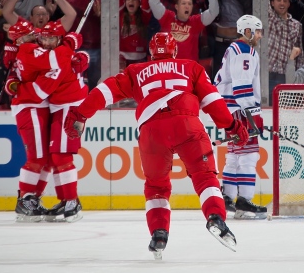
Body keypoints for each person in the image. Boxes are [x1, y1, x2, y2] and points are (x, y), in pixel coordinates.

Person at [63, 32, 248, 256]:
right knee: (204, 176)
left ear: (151, 54)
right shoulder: (190, 67)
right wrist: (232, 126)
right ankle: (215, 217)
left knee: (157, 186)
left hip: (151, 130)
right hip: (187, 124)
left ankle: (159, 233)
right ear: (175, 51)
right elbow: (213, 100)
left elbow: (104, 92)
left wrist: (80, 115)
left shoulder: (136, 71)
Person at [5, 20, 86, 222]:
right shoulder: (32, 50)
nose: (43, 39)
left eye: (50, 37)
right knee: (42, 158)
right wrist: (71, 45)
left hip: (67, 107)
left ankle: (65, 200)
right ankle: (28, 198)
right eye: (42, 36)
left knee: (54, 158)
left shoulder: (30, 49)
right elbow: (42, 87)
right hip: (36, 106)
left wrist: (77, 53)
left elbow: (72, 60)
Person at [214, 15, 267, 219]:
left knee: (235, 155)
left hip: (229, 108)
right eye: (258, 31)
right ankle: (244, 202)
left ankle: (228, 197)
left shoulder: (234, 49)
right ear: (248, 31)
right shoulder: (245, 51)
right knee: (248, 155)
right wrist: (255, 116)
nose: (260, 35)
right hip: (240, 109)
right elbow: (242, 88)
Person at [149, 0, 217, 62]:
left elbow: (213, 12)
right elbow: (153, 2)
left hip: (188, 67)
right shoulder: (168, 16)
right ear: (176, 6)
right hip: (168, 66)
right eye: (184, 3)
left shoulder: (195, 20)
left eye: (189, 4)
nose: (187, 6)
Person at [267, 0, 304, 100]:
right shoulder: (269, 19)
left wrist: (298, 78)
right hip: (267, 74)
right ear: (272, 3)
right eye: (278, 0)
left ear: (289, 4)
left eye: (284, 1)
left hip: (286, 75)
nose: (282, 3)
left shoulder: (296, 26)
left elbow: (299, 54)